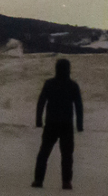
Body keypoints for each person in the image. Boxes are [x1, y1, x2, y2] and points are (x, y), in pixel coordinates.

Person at [32, 57, 84, 189]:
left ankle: (38, 180)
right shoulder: (73, 85)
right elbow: (78, 106)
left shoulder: (49, 84)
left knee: (44, 153)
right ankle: (66, 182)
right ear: (68, 70)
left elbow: (41, 102)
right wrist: (79, 124)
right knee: (66, 155)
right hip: (66, 125)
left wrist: (38, 120)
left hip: (51, 124)